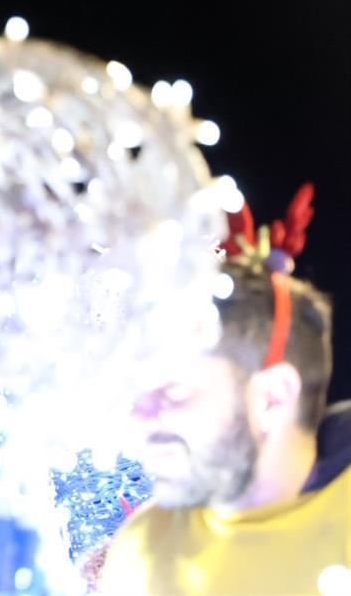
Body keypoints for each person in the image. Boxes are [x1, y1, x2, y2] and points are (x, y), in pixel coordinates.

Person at [99, 187, 350, 595]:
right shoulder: (142, 550)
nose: (139, 419)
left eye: (174, 391)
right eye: (140, 393)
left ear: (273, 397)